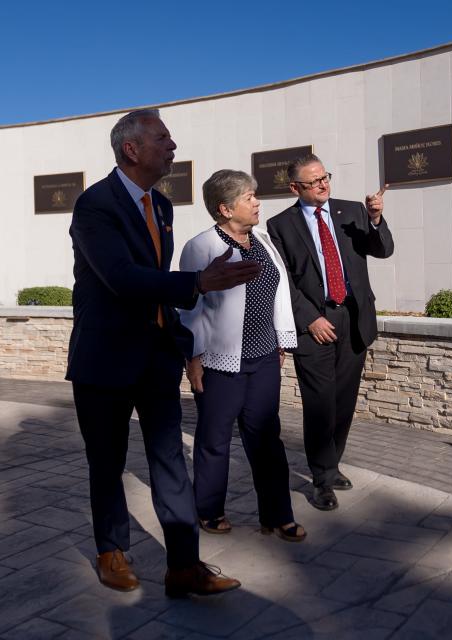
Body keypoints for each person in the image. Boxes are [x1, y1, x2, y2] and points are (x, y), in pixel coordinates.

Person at [68, 109, 258, 597]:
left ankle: (184, 566)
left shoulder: (164, 206)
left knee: (171, 459)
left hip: (155, 356)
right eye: (163, 139)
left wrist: (181, 339)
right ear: (131, 149)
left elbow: (153, 280)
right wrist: (197, 282)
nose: (172, 146)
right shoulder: (95, 206)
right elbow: (120, 277)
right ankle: (112, 551)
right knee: (107, 462)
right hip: (105, 358)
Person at [179, 169, 305, 542]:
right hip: (220, 362)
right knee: (215, 439)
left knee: (267, 438)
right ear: (224, 207)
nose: (257, 203)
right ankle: (210, 509)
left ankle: (277, 515)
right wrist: (194, 357)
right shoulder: (200, 247)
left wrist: (281, 338)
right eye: (249, 197)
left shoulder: (263, 240)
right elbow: (190, 307)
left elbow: (278, 292)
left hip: (265, 356)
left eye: (255, 195)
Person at [267, 154, 393, 510]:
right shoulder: (281, 225)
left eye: (325, 177)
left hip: (352, 320)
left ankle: (332, 463)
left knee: (343, 401)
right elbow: (283, 279)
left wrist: (375, 219)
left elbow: (382, 249)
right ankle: (321, 478)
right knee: (320, 404)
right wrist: (309, 319)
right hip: (314, 324)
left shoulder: (352, 211)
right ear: (295, 188)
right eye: (314, 181)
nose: (323, 184)